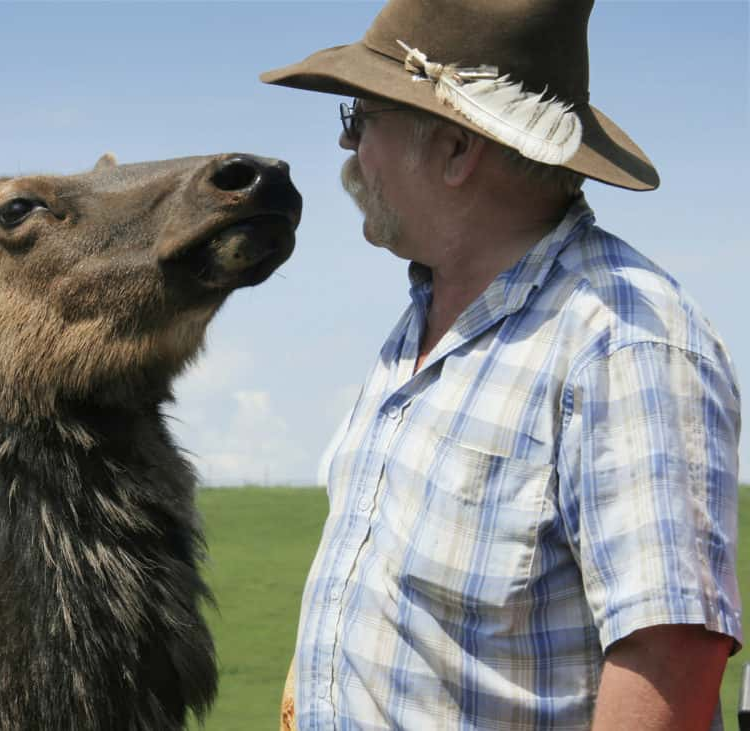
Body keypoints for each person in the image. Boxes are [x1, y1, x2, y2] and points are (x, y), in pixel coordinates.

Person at [261, 1, 742, 729]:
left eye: (360, 119)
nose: (349, 150)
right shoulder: (422, 320)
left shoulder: (624, 344)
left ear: (456, 147)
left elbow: (669, 659)